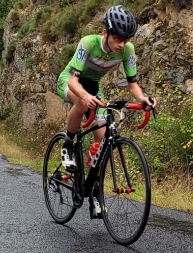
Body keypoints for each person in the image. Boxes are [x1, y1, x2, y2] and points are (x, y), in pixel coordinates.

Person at [56, 5, 157, 218]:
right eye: (118, 39)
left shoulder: (127, 51)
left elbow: (133, 85)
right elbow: (74, 80)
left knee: (102, 144)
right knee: (83, 103)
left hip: (94, 86)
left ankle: (94, 190)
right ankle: (68, 144)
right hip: (70, 81)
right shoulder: (88, 43)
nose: (122, 44)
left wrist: (143, 99)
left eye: (126, 39)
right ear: (105, 33)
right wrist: (84, 96)